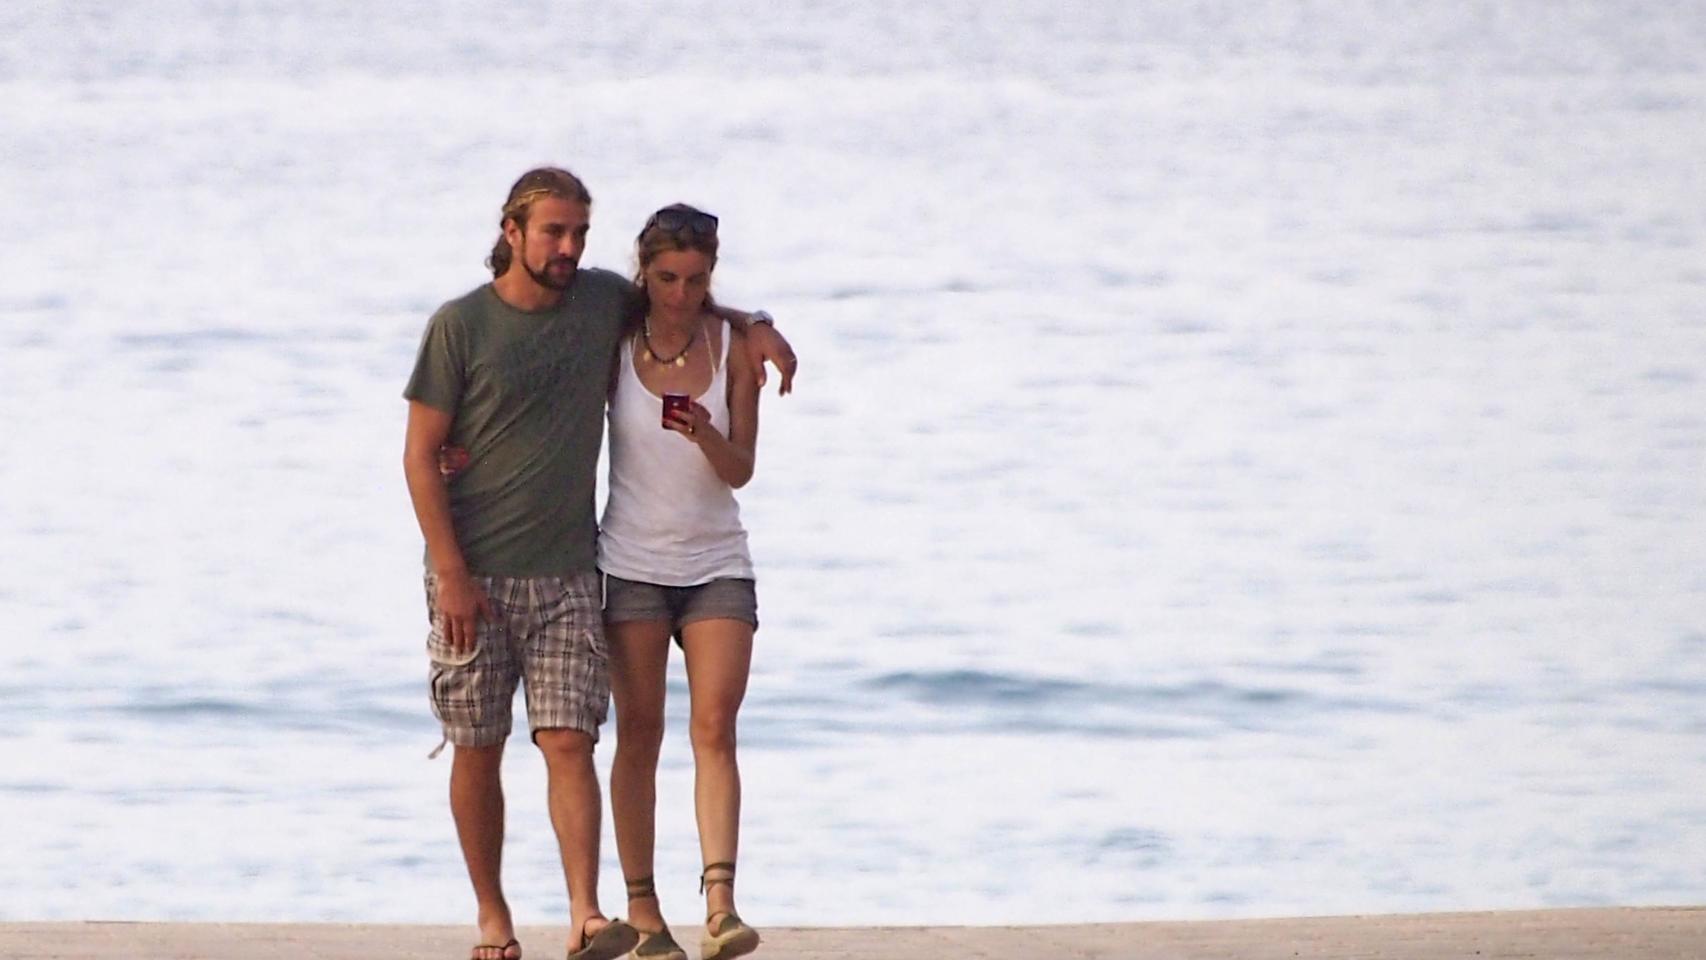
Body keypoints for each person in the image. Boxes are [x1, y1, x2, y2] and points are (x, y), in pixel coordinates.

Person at [401, 170, 797, 960]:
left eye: (579, 232)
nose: (568, 248)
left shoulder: (598, 302)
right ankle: (494, 920)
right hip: (472, 572)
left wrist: (757, 323)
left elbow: (681, 299)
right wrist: (450, 572)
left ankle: (588, 915)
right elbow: (418, 457)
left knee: (569, 742)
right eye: (552, 231)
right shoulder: (459, 326)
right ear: (511, 230)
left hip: (573, 570)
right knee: (479, 747)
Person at [599, 205, 764, 960]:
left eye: (696, 280)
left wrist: (706, 430)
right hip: (631, 563)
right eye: (667, 278)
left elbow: (743, 470)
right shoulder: (614, 338)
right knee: (638, 734)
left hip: (715, 564)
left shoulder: (733, 345)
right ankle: (645, 915)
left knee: (714, 729)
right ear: (645, 272)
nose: (680, 293)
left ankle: (722, 908)